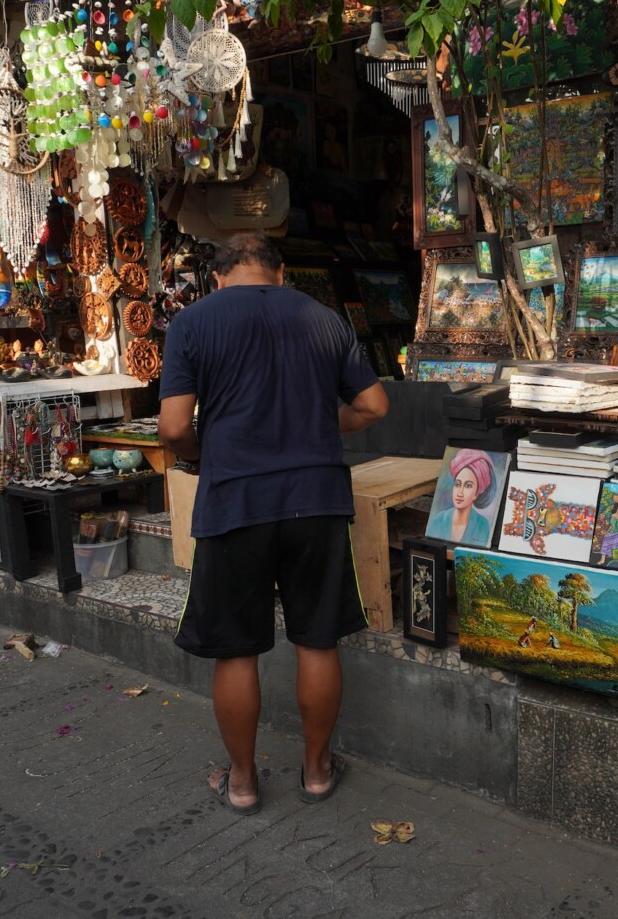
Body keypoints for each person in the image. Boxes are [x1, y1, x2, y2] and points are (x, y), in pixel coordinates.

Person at [158, 231, 389, 817]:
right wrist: (313, 424)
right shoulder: (325, 319)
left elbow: (172, 427)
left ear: (217, 277)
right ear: (280, 273)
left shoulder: (192, 323)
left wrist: (202, 454)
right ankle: (315, 772)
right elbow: (373, 407)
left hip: (235, 501)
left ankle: (241, 781)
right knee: (317, 638)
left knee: (236, 649)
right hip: (316, 498)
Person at [427, 449, 497, 545]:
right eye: (458, 484)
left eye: (468, 486)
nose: (460, 493)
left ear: (476, 493)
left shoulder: (482, 525)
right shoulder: (439, 520)